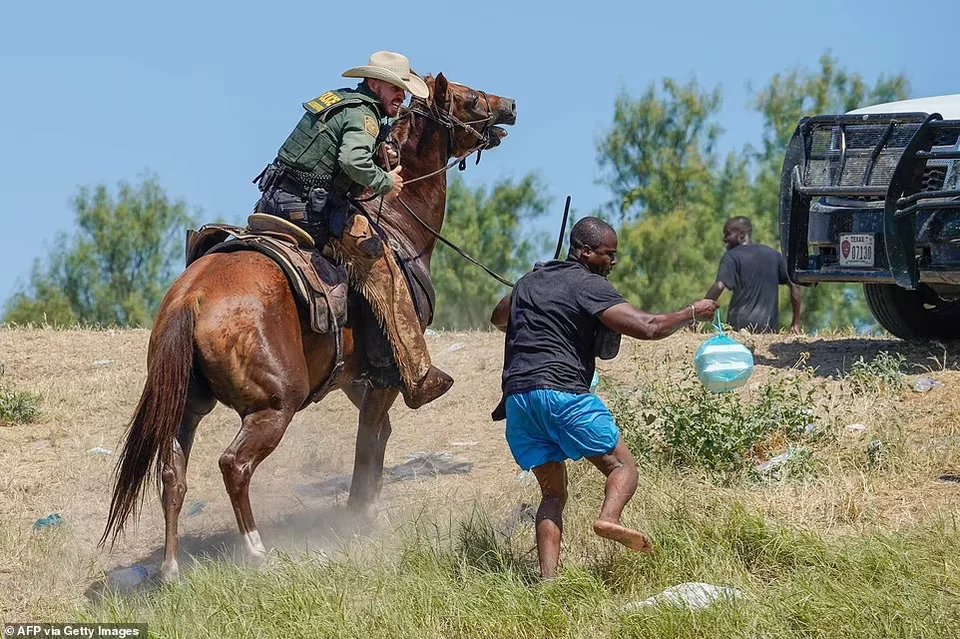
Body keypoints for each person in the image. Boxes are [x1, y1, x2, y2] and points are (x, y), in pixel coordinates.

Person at [489, 217, 717, 579]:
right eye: (609, 254)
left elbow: (499, 317)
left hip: (519, 401)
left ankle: (549, 583)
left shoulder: (531, 281)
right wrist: (692, 312)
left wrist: (532, 286)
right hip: (563, 393)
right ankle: (609, 519)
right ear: (585, 251)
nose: (613, 262)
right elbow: (649, 327)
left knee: (551, 496)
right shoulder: (588, 285)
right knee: (622, 466)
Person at [252, 51, 452, 409]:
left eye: (403, 91)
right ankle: (417, 374)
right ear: (374, 83)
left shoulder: (340, 103)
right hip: (311, 212)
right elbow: (352, 160)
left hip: (273, 203)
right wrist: (384, 181)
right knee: (385, 267)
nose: (401, 96)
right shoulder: (365, 116)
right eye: (395, 89)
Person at [705, 216, 802, 333]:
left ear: (741, 235)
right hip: (769, 328)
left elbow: (720, 286)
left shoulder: (732, 256)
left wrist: (697, 312)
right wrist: (796, 322)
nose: (724, 239)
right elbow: (795, 285)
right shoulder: (774, 255)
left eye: (728, 234)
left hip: (739, 325)